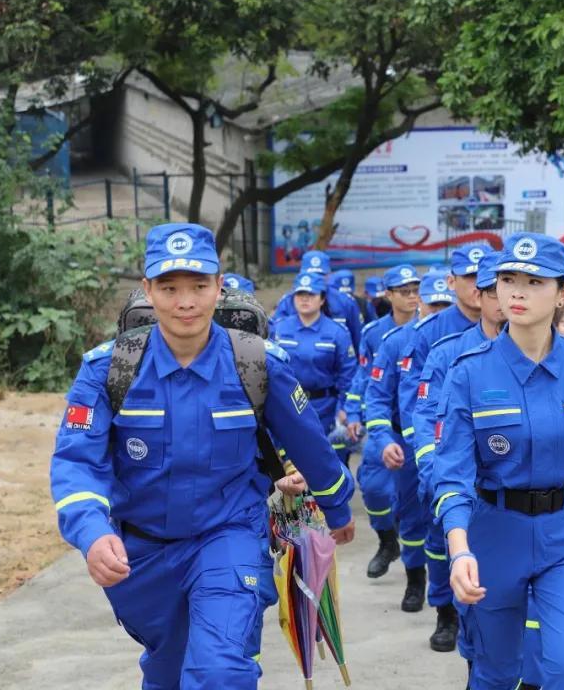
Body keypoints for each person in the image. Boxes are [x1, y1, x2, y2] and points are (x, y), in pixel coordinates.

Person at [50, 223, 355, 690]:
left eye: (198, 286)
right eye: (170, 288)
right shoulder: (109, 370)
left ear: (218, 286)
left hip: (228, 536)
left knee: (219, 671)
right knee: (168, 671)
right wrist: (91, 533)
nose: (185, 301)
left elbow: (310, 445)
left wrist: (337, 509)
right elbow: (77, 462)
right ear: (149, 291)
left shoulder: (256, 364)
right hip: (143, 554)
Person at [433, 232, 564, 690]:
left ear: (563, 293)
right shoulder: (468, 371)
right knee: (496, 672)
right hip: (493, 535)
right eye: (508, 279)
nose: (517, 292)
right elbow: (452, 475)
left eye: (534, 280)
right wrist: (460, 547)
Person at [411, 252, 506, 653]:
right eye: (492, 290)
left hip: (513, 486)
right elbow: (426, 415)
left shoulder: (550, 351)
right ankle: (446, 613)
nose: (504, 299)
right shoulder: (448, 351)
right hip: (458, 479)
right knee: (445, 546)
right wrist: (434, 471)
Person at [363, 268, 456, 613]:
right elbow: (377, 397)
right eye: (433, 306)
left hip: (458, 448)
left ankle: (453, 599)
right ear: (421, 306)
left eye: (445, 306)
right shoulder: (396, 343)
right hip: (412, 450)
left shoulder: (469, 341)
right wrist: (385, 438)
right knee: (415, 521)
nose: (438, 314)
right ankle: (416, 579)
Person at [343, 264, 421, 577]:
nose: (412, 297)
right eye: (404, 292)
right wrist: (352, 413)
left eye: (416, 291)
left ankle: (419, 571)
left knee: (415, 497)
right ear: (388, 295)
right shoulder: (374, 334)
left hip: (419, 428)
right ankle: (387, 541)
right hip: (383, 426)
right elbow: (364, 377)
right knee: (373, 486)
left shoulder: (428, 329)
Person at [272, 272, 357, 461]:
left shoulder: (337, 332)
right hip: (287, 407)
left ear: (322, 299)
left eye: (311, 294)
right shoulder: (279, 329)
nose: (304, 299)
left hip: (325, 408)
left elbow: (348, 376)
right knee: (290, 465)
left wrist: (344, 408)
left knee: (329, 463)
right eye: (300, 294)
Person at [269, 250, 363, 350]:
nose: (314, 279)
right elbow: (273, 336)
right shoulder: (288, 301)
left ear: (328, 275)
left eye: (320, 275)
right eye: (310, 275)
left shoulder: (346, 301)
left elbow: (357, 338)